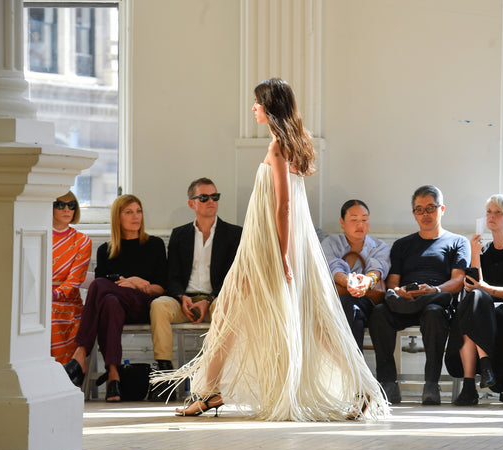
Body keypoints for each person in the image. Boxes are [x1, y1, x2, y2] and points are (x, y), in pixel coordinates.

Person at [158, 78, 388, 420]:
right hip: (274, 245)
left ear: (269, 106)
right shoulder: (292, 143)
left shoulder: (278, 148)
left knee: (234, 315)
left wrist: (280, 255)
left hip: (268, 248)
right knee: (304, 321)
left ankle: (209, 391)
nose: (253, 109)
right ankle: (361, 389)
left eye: (257, 103)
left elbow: (284, 207)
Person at [368, 185, 469, 406]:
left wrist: (434, 290)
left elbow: (458, 280)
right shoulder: (403, 245)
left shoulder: (457, 242)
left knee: (433, 313)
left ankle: (431, 384)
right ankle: (388, 383)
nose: (425, 214)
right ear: (414, 213)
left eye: (430, 208)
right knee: (379, 313)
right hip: (406, 303)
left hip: (435, 302)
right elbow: (393, 283)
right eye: (419, 209)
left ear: (441, 209)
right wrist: (401, 292)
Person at [63, 194, 167, 402]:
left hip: (143, 305)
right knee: (109, 301)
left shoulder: (154, 245)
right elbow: (104, 292)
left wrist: (138, 283)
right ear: (117, 217)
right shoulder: (106, 250)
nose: (135, 216)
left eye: (138, 211)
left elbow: (162, 288)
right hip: (115, 310)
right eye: (128, 212)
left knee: (100, 284)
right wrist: (124, 282)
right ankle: (113, 376)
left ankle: (81, 352)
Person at [446, 194, 503, 405]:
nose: (492, 216)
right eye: (489, 212)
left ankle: (471, 384)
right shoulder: (484, 250)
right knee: (474, 302)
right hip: (482, 309)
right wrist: (475, 255)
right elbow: (473, 285)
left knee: (477, 308)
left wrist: (485, 288)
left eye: (498, 212)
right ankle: (482, 367)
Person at [149, 178, 242, 374]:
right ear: (192, 203)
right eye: (204, 197)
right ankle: (164, 370)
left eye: (215, 196)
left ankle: (215, 371)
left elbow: (231, 277)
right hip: (185, 300)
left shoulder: (233, 234)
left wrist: (208, 300)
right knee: (159, 306)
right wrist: (182, 298)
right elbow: (172, 276)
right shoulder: (179, 234)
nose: (211, 201)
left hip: (216, 299)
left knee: (224, 307)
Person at [321, 199, 390, 350]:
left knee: (352, 306)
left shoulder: (379, 246)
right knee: (349, 306)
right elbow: (332, 266)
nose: (360, 225)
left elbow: (378, 268)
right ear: (342, 222)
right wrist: (348, 282)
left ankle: (352, 369)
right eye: (354, 220)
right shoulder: (330, 243)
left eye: (364, 220)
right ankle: (355, 368)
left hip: (367, 301)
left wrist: (367, 281)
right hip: (335, 301)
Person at [51, 191, 92, 364]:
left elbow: (74, 280)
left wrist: (53, 295)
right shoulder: (38, 236)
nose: (67, 209)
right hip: (36, 300)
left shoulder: (82, 241)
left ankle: (63, 379)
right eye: (60, 205)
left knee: (52, 315)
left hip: (68, 302)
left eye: (72, 205)